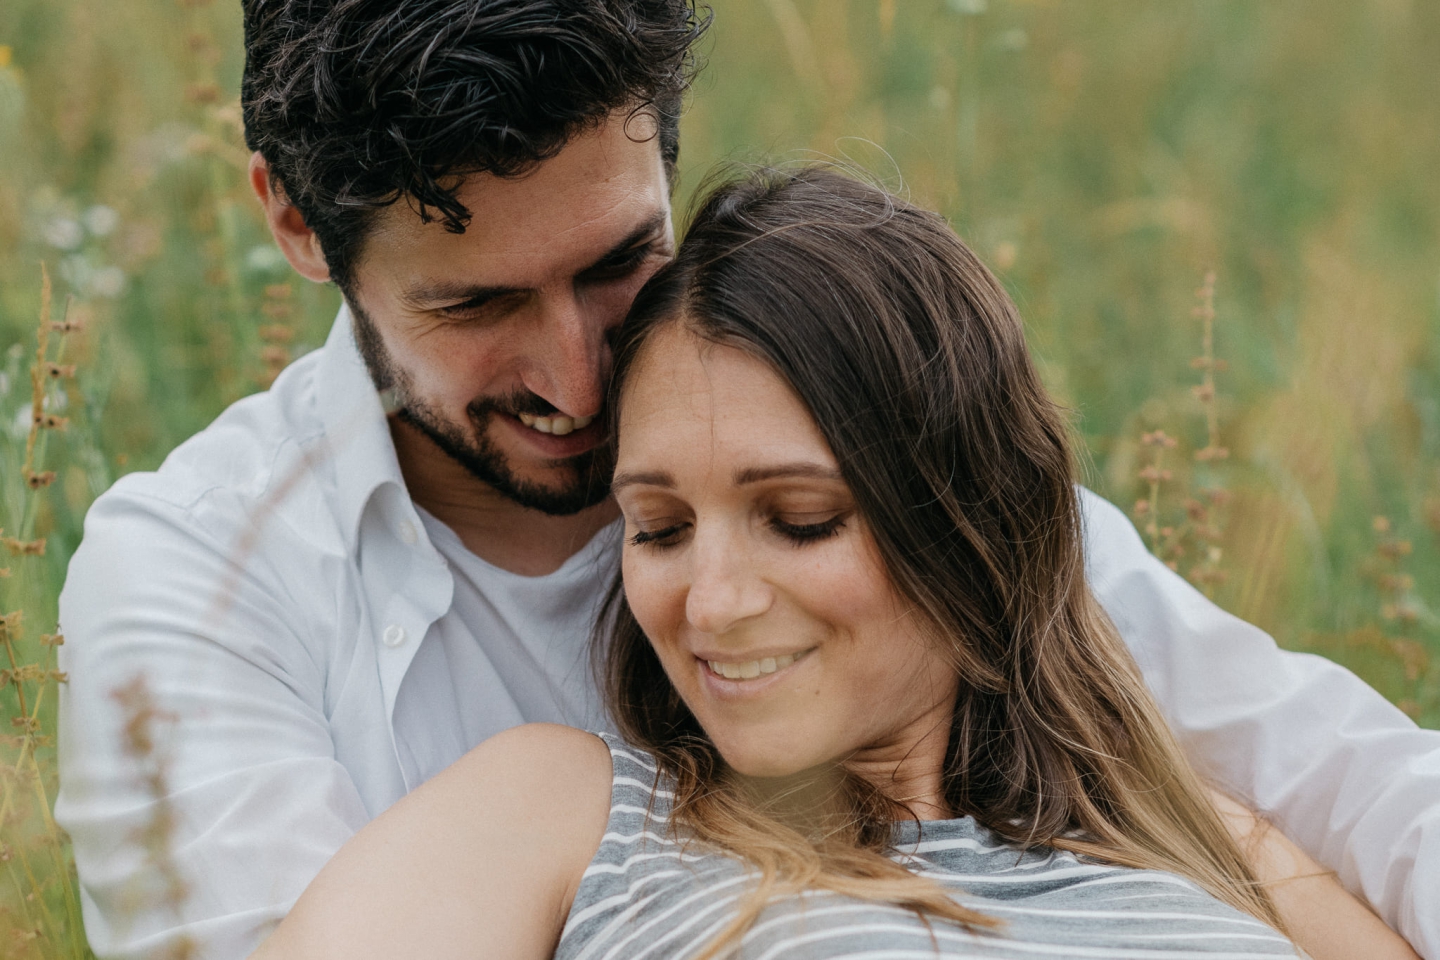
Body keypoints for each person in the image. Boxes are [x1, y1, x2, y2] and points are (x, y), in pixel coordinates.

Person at [53, 1, 1440, 958]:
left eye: (615, 267)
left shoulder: (861, 437)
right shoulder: (205, 576)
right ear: (297, 225)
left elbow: (1354, 779)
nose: (582, 383)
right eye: (475, 309)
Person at [252, 167, 1420, 960]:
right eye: (656, 530)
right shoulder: (561, 812)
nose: (711, 604)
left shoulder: (1197, 833)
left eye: (800, 519)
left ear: (966, 518)